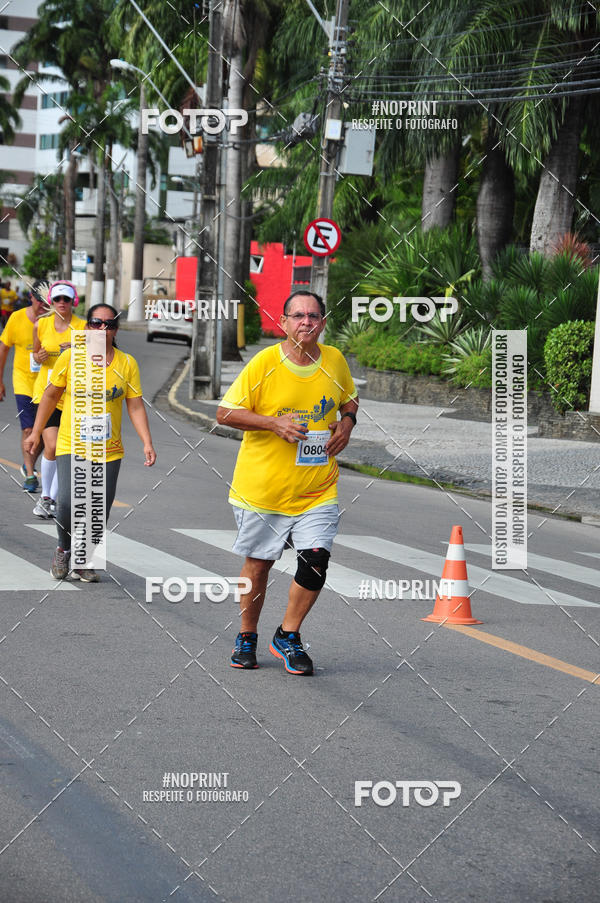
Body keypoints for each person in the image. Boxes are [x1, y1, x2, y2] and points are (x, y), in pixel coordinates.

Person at [216, 290, 359, 675]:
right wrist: (272, 423)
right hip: (263, 488)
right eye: (298, 316)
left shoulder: (334, 361)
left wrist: (346, 425)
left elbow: (350, 401)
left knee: (315, 560)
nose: (306, 323)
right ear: (284, 322)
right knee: (258, 566)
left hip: (317, 487)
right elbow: (224, 413)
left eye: (313, 316)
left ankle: (288, 634)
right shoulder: (264, 363)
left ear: (323, 323)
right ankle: (247, 635)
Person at [24, 303, 157, 582]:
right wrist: (36, 432)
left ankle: (84, 560)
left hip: (109, 449)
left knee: (98, 507)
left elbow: (134, 406)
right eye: (96, 323)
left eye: (108, 324)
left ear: (115, 330)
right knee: (66, 503)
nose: (101, 329)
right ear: (87, 327)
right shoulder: (71, 357)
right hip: (71, 443)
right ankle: (64, 547)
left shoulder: (126, 363)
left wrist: (147, 441)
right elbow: (50, 396)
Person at [31, 281, 86, 517]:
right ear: (51, 302)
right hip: (47, 393)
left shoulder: (84, 327)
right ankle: (45, 497)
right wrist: (40, 356)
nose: (61, 304)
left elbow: (96, 358)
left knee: (68, 450)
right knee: (52, 445)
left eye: (66, 299)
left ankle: (52, 499)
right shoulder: (41, 325)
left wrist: (77, 349)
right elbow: (35, 356)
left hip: (74, 396)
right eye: (57, 300)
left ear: (73, 301)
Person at [0, 279, 50, 491]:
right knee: (29, 428)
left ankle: (28, 462)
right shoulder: (17, 318)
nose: (42, 305)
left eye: (46, 301)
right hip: (23, 382)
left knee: (47, 435)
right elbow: (3, 349)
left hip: (49, 384)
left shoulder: (55, 321)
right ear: (31, 298)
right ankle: (30, 475)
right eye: (38, 300)